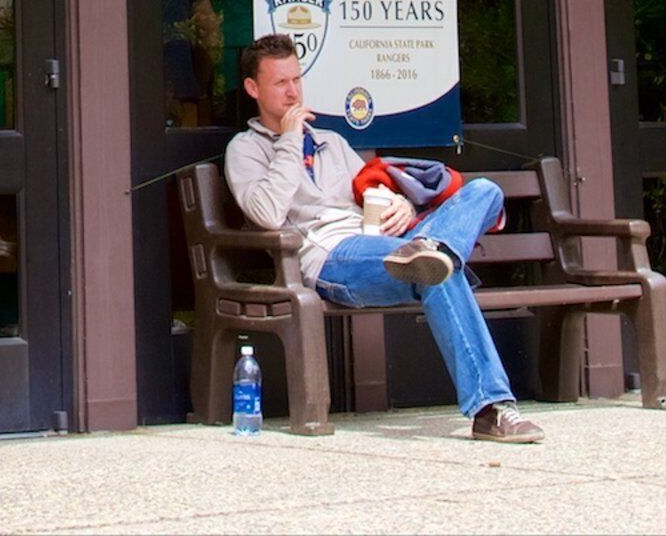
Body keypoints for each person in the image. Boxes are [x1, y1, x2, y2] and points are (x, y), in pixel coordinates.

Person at [219, 34, 543, 443]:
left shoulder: (332, 143)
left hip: (383, 245)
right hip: (331, 256)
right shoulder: (245, 150)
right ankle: (491, 409)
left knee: (484, 193)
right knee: (437, 270)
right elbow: (266, 214)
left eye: (297, 80)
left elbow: (371, 193)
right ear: (253, 88)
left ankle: (433, 250)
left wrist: (403, 207)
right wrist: (287, 139)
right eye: (280, 82)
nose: (293, 91)